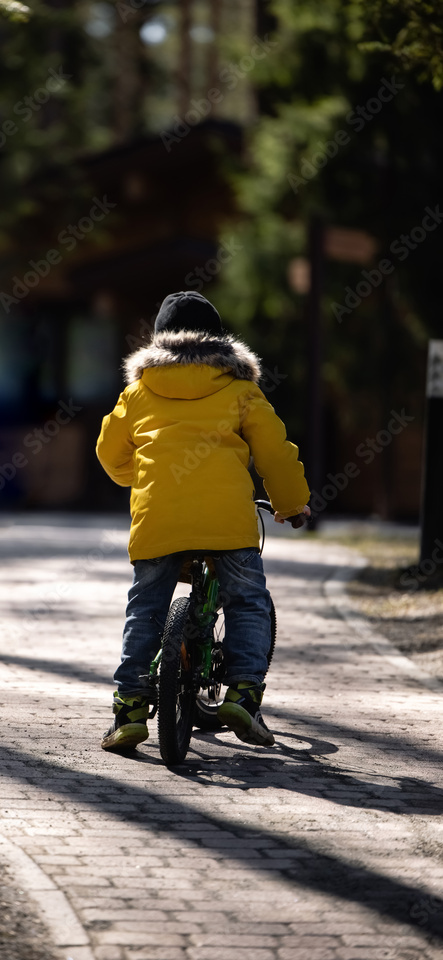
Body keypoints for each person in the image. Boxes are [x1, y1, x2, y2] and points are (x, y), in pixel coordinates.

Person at [96, 291, 310, 752]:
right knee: (248, 600)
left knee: (145, 607)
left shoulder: (137, 391)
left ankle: (130, 708)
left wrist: (142, 478)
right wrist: (292, 505)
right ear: (219, 340)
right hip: (227, 522)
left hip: (158, 519)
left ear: (159, 341)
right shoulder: (240, 390)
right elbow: (275, 451)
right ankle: (244, 694)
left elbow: (109, 453)